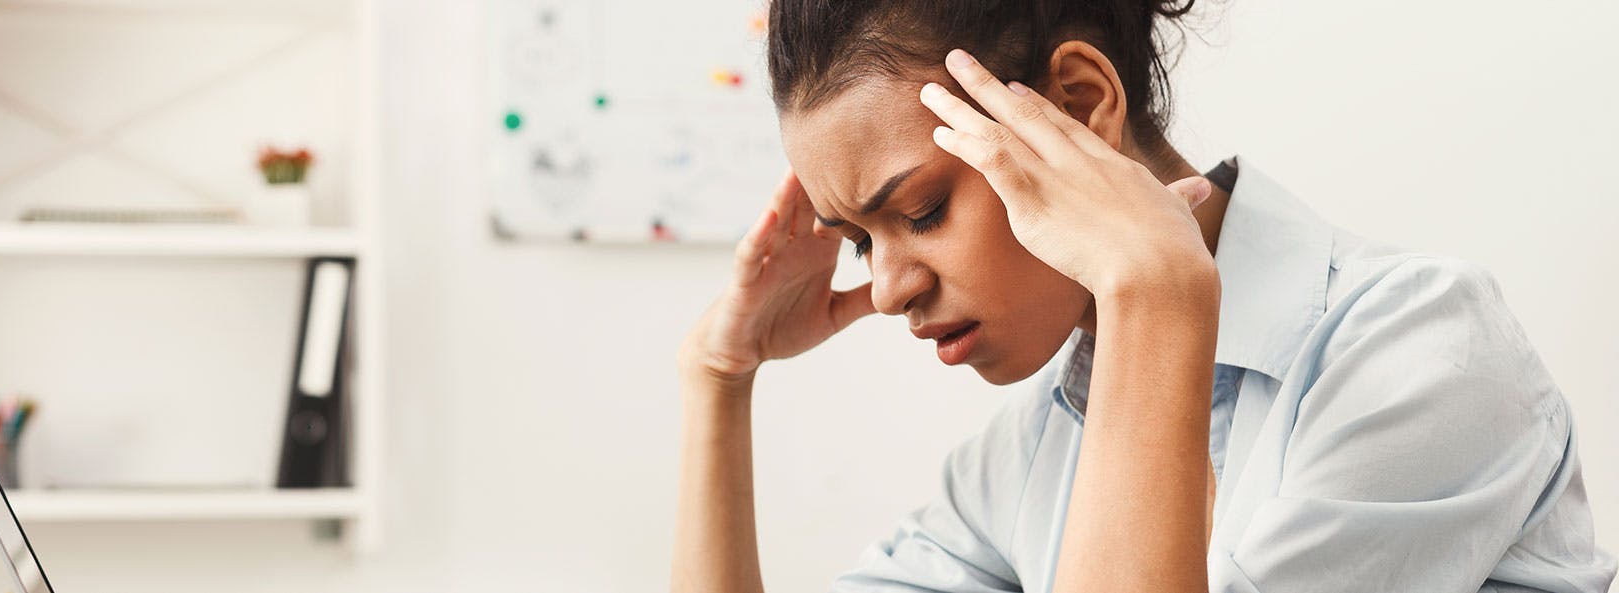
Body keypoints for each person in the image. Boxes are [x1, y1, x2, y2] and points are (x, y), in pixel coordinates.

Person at [669, 1, 1617, 591]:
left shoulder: (1421, 352)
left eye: (918, 211)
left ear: (1079, 106)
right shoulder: (1035, 441)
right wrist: (720, 378)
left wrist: (1156, 295)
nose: (885, 289)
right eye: (856, 240)